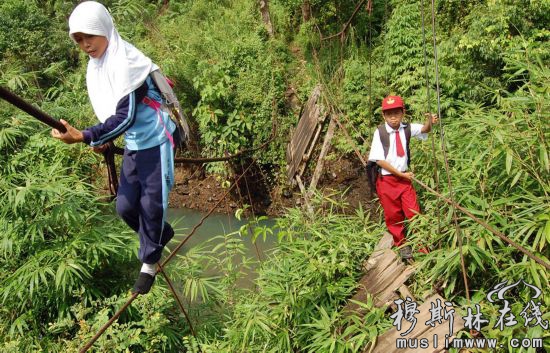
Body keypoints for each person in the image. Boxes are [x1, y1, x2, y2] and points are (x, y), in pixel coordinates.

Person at [51, 1, 180, 294]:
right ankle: (159, 235)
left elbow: (126, 115)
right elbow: (110, 110)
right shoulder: (98, 64)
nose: (85, 45)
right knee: (124, 207)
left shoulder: (125, 61)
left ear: (105, 30)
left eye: (90, 37)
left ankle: (149, 263)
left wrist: (86, 136)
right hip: (135, 142)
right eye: (79, 40)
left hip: (156, 140)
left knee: (152, 204)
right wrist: (101, 137)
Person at [367, 95, 438, 260]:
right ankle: (402, 246)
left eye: (396, 113)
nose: (393, 117)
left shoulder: (406, 128)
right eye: (389, 114)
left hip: (404, 181)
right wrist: (401, 174)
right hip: (387, 181)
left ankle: (422, 247)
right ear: (384, 116)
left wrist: (429, 121)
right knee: (394, 216)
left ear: (402, 113)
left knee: (414, 213)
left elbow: (424, 130)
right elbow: (379, 160)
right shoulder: (380, 133)